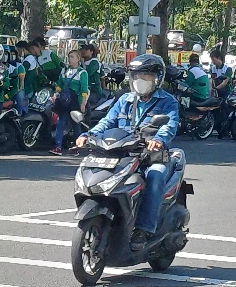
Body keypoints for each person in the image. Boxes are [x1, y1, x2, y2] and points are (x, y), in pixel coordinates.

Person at [76, 54, 179, 251]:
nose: (141, 81)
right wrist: (88, 135)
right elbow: (108, 121)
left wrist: (158, 140)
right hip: (122, 153)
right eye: (137, 76)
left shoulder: (168, 102)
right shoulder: (124, 100)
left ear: (157, 79)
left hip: (150, 156)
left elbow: (169, 125)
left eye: (146, 77)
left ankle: (143, 229)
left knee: (155, 176)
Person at [49, 50, 88, 157]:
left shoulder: (82, 73)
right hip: (63, 101)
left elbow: (84, 89)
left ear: (78, 59)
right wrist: (56, 94)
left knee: (75, 124)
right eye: (69, 57)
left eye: (72, 57)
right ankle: (58, 146)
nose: (69, 59)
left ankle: (77, 147)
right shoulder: (64, 71)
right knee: (60, 123)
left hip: (75, 102)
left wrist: (83, 103)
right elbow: (59, 85)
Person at [80, 44, 105, 120]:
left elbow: (87, 73)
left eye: (86, 50)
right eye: (83, 49)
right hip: (82, 89)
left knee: (84, 103)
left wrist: (81, 62)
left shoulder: (94, 62)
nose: (83, 51)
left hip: (93, 90)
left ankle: (87, 121)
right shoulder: (82, 62)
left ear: (91, 52)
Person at [6, 45, 27, 116]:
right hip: (6, 88)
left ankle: (19, 114)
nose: (12, 56)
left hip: (18, 89)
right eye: (9, 54)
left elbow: (21, 84)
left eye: (13, 54)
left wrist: (13, 92)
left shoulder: (20, 66)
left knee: (19, 96)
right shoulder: (1, 66)